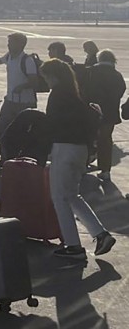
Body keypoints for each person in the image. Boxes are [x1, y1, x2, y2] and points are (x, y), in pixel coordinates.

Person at [40, 58, 116, 260]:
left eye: (46, 77)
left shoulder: (57, 95)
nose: (46, 81)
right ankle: (100, 234)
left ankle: (73, 245)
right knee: (72, 195)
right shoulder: (75, 95)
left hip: (63, 148)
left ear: (53, 76)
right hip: (80, 150)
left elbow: (51, 124)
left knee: (59, 197)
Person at [0, 33, 39, 166]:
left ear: (20, 44)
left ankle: (23, 160)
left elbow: (34, 82)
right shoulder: (9, 56)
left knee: (23, 134)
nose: (8, 45)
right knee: (3, 130)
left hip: (25, 103)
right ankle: (5, 159)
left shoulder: (27, 60)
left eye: (11, 42)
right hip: (10, 101)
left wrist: (22, 87)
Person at [85, 49, 126, 182]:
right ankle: (105, 170)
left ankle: (85, 163)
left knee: (88, 138)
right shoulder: (117, 75)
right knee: (106, 141)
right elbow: (121, 91)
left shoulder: (92, 72)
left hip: (91, 112)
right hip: (110, 113)